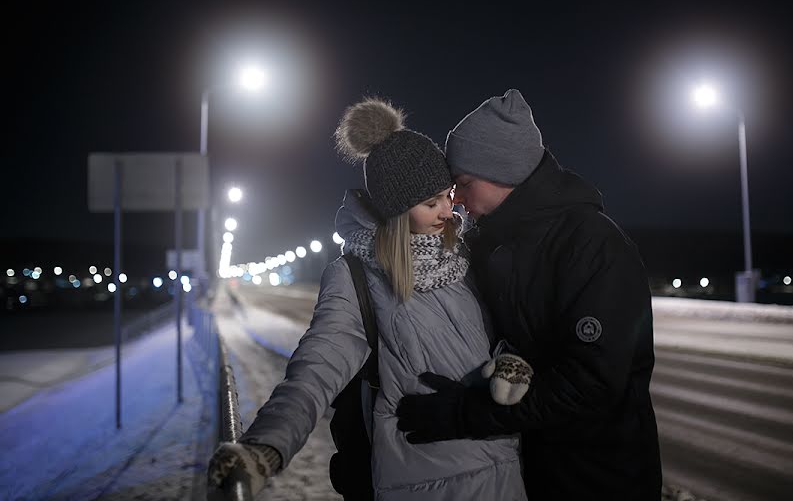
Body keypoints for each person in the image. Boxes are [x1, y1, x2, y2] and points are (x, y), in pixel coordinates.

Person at [207, 97, 527, 500]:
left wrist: (511, 360)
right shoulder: (356, 276)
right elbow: (317, 367)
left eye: (447, 194)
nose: (448, 210)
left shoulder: (466, 254)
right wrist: (266, 447)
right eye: (431, 203)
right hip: (422, 482)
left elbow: (508, 327)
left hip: (505, 471)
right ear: (396, 212)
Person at [396, 89, 662, 500]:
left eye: (464, 183)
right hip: (526, 471)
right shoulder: (491, 245)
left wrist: (470, 414)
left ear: (504, 171)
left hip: (599, 476)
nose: (458, 201)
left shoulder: (592, 245)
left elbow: (591, 383)